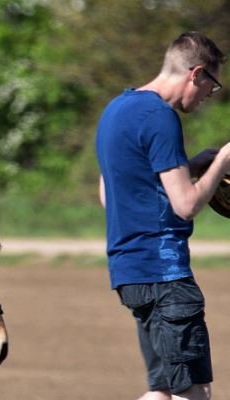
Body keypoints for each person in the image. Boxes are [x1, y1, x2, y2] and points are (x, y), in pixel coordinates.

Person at [95, 32, 230, 400]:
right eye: (211, 87)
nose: (206, 97)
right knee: (194, 393)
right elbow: (185, 204)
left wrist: (193, 164)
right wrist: (222, 160)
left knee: (161, 391)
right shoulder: (160, 116)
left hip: (131, 276)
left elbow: (111, 195)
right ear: (196, 74)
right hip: (165, 274)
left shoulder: (115, 111)